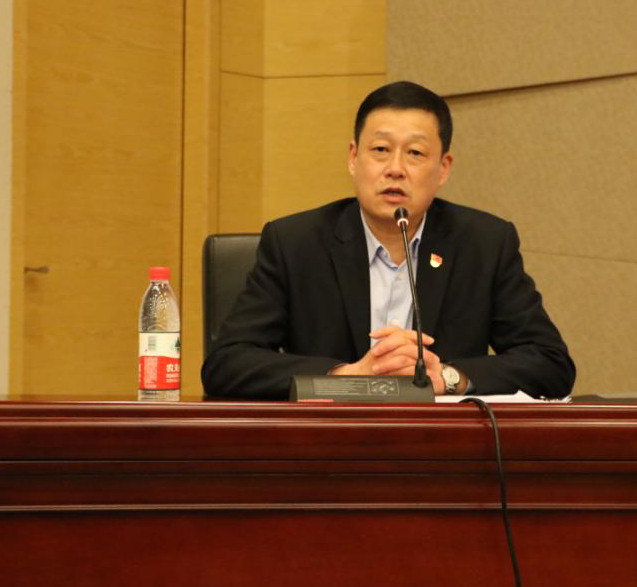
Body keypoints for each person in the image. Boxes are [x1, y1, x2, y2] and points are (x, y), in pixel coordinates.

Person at [202, 81, 575, 399]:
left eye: (415, 153)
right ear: (354, 158)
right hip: (326, 445)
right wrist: (345, 377)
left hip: (443, 448)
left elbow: (551, 363)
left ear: (443, 169)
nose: (395, 168)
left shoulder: (484, 244)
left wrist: (447, 377)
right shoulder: (295, 243)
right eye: (380, 150)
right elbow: (227, 363)